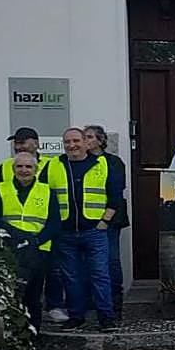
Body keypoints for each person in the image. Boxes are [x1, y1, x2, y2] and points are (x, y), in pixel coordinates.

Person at [0, 152, 62, 335]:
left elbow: (54, 224)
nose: (24, 170)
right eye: (20, 166)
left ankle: (33, 337)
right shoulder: (0, 189)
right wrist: (17, 237)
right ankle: (11, 338)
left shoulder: (46, 191)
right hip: (8, 250)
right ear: (13, 169)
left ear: (35, 170)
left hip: (38, 250)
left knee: (33, 296)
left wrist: (35, 240)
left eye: (29, 167)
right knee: (9, 296)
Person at [53, 128, 120, 331]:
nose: (72, 145)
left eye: (76, 141)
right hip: (65, 231)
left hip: (95, 230)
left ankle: (106, 318)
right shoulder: (54, 165)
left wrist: (104, 222)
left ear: (85, 142)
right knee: (71, 277)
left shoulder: (103, 164)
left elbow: (115, 196)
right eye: (67, 142)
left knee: (100, 274)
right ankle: (76, 317)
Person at [85, 124, 129, 318]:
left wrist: (106, 219)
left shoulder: (113, 162)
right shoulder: (78, 162)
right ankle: (91, 302)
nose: (85, 141)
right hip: (85, 221)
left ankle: (115, 303)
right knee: (87, 264)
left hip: (108, 222)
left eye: (89, 137)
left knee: (111, 261)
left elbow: (116, 193)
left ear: (101, 141)